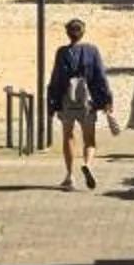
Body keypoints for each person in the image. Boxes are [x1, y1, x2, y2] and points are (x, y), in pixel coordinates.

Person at [46, 17, 114, 190]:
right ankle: (88, 164)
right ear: (83, 32)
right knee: (89, 139)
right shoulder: (92, 51)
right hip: (87, 102)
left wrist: (52, 103)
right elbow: (100, 77)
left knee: (68, 136)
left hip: (67, 100)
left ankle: (69, 176)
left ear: (67, 34)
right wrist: (107, 100)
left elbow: (56, 78)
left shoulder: (61, 52)